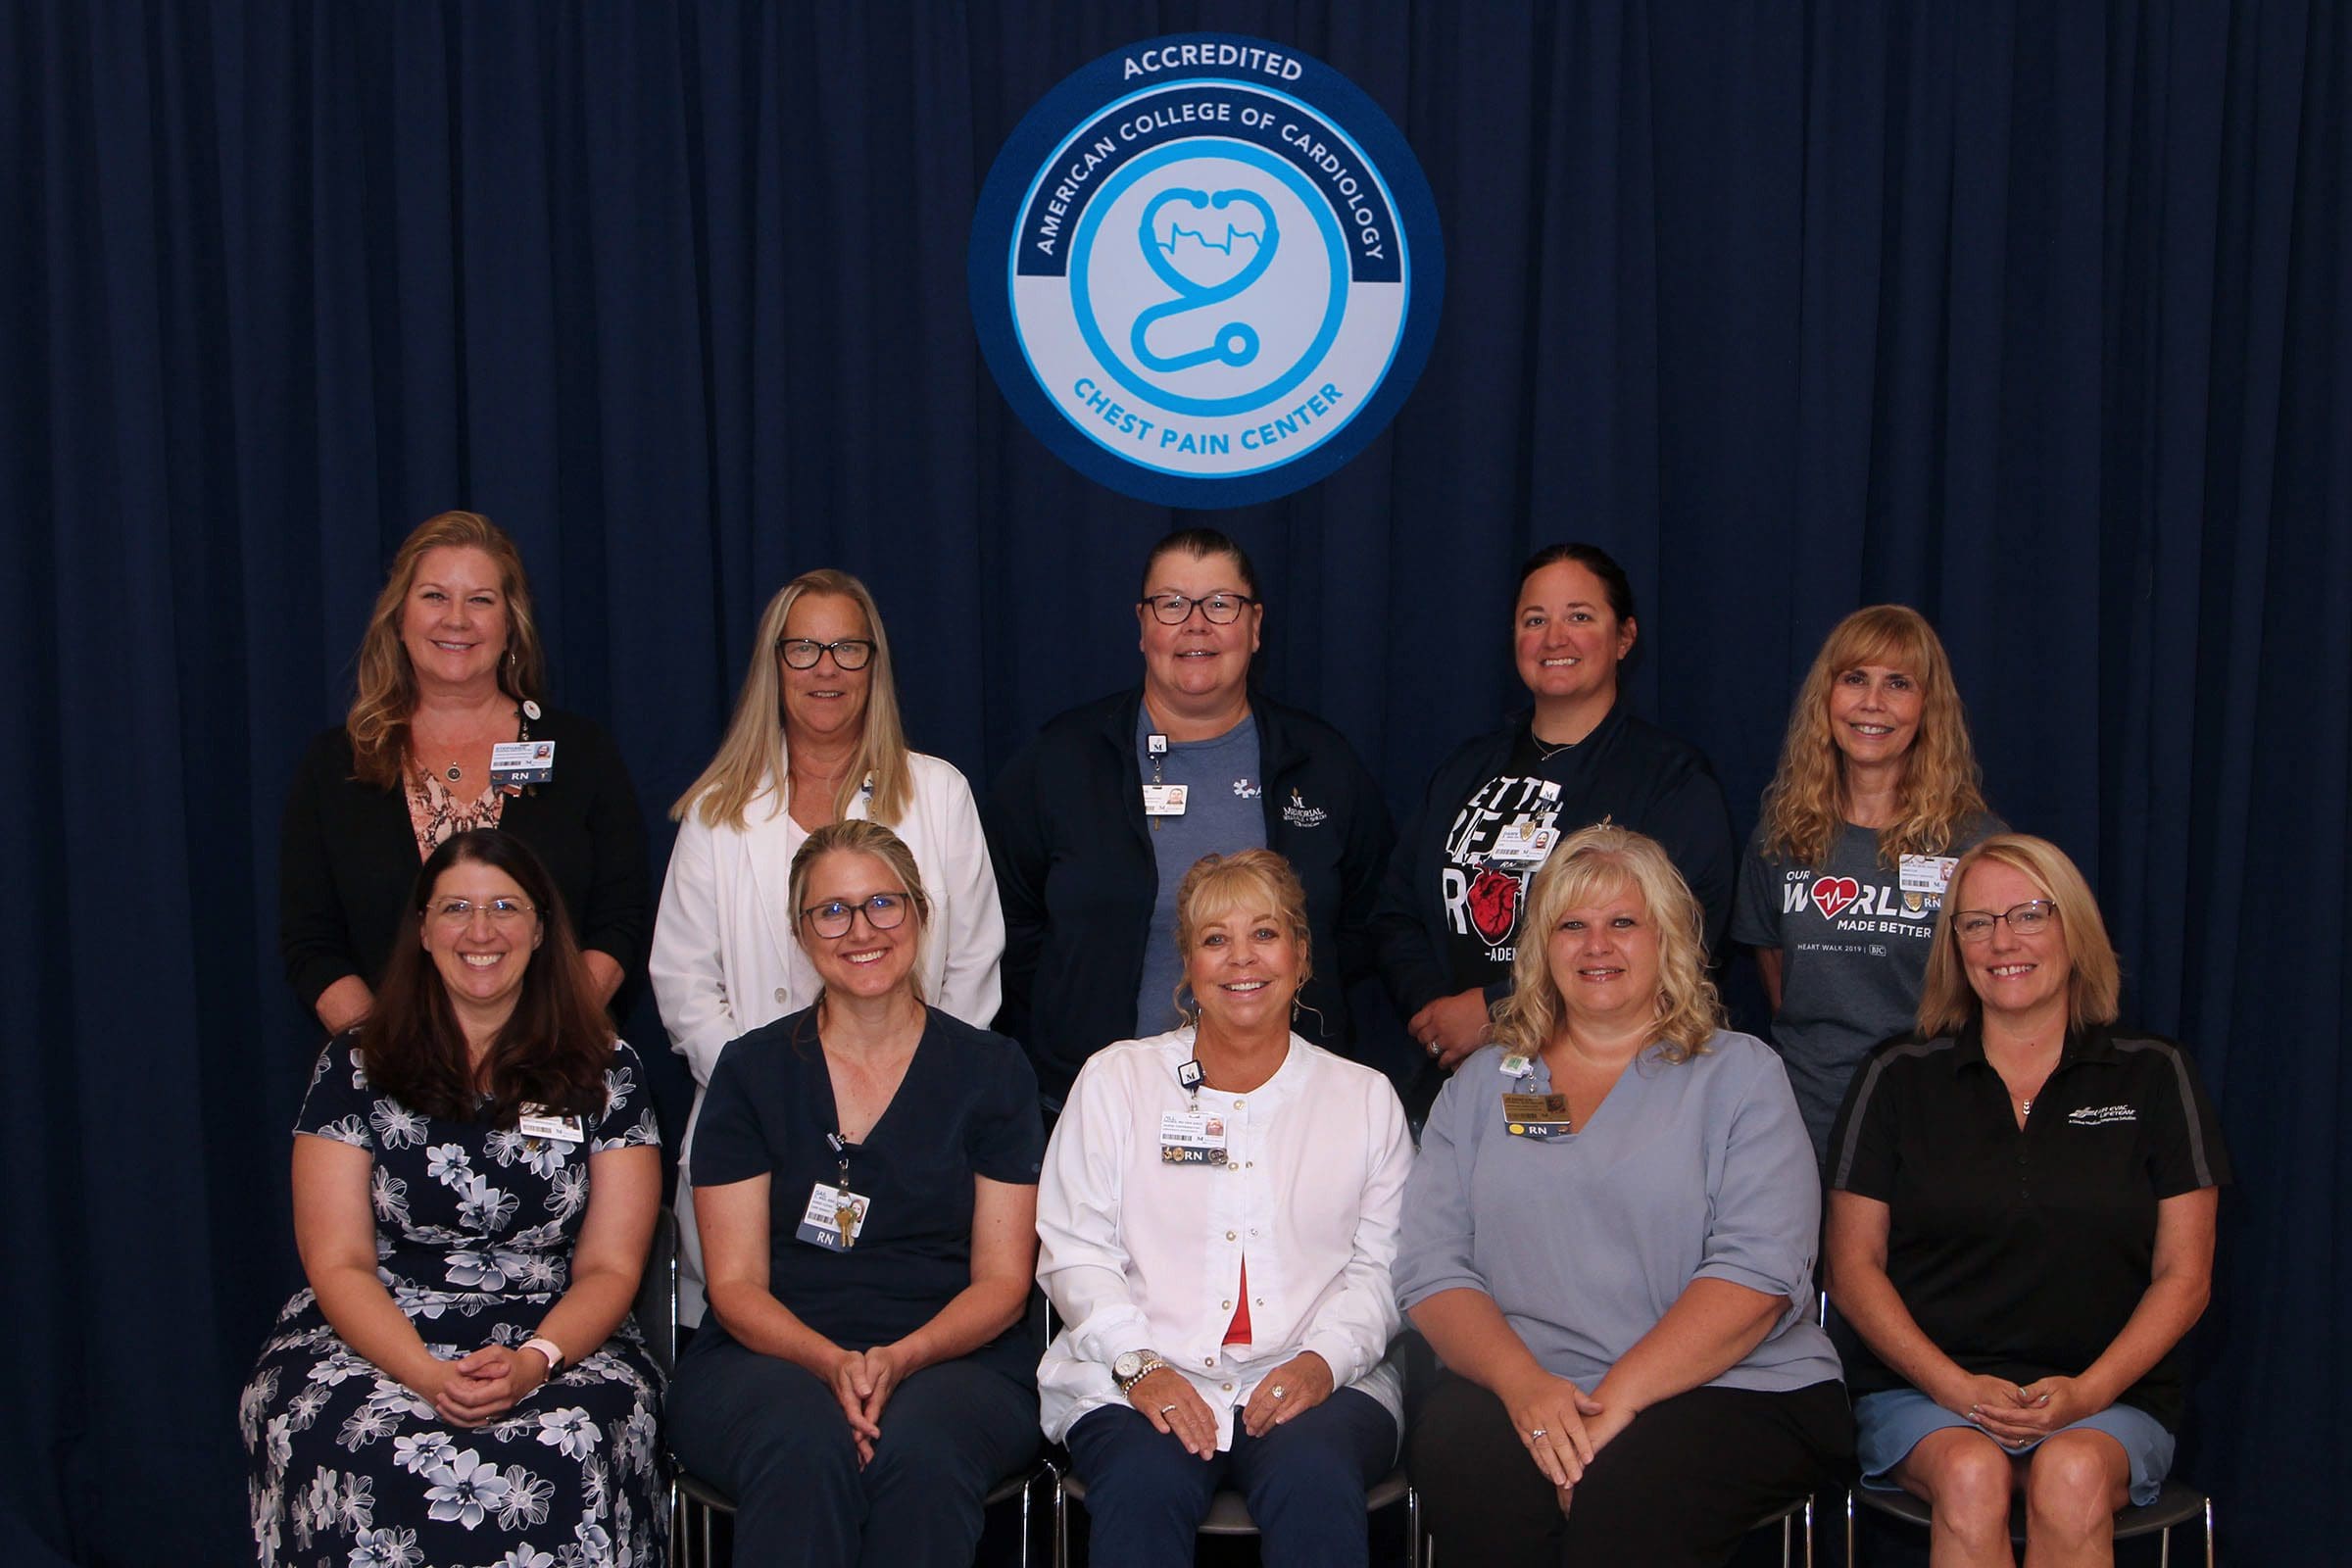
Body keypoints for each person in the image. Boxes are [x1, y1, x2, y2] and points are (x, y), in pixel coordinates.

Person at [1396, 825, 1850, 1566]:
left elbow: (1760, 1273)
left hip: (1731, 1386)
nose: (1596, 946)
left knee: (1625, 1501)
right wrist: (1525, 1387)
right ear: (1541, 948)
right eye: (1572, 926)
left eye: (1623, 923)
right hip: (1521, 1384)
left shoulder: (1741, 1076)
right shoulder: (1481, 1086)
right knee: (1475, 1478)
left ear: (1667, 938)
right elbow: (1431, 1268)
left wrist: (1615, 1405)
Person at [241, 830, 665, 1568]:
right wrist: (425, 1375)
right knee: (349, 1435)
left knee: (570, 1441)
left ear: (540, 928)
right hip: (375, 1330)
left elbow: (612, 1267)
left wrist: (535, 1362)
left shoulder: (608, 1069)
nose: (481, 931)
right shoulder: (355, 1063)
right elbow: (338, 1260)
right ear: (423, 929)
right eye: (456, 908)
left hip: (557, 1334)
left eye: (505, 907)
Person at [1825, 834, 2228, 1566]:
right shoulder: (1897, 1075)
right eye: (1977, 922)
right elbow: (1852, 1270)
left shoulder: (2155, 1074)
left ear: (2075, 929)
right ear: (1955, 946)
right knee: (1971, 1474)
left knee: (2069, 1475)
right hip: (1926, 1396)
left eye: (2029, 915)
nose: (2002, 942)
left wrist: (2087, 1393)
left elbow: (2186, 1277)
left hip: (2109, 1398)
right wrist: (1956, 1389)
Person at [665, 820, 1043, 1568]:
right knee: (802, 1447)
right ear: (801, 933)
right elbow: (734, 1286)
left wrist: (898, 1360)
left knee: (924, 1453)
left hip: (954, 1355)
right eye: (832, 911)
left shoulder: (993, 1072)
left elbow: (1003, 1286)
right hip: (768, 1352)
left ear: (920, 914)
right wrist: (831, 1364)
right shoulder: (750, 1072)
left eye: (882, 903)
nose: (861, 930)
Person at [1037, 849, 1413, 1568]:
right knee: (1143, 1486)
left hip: (1321, 1378)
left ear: (1302, 956)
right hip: (1136, 1374)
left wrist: (1323, 1363)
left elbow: (1386, 1266)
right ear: (1187, 964)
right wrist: (1139, 1366)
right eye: (1216, 939)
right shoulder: (1117, 1080)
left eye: (1265, 934)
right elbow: (1075, 1250)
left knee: (1313, 1479)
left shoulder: (1364, 1098)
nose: (1242, 958)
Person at [652, 567, 1002, 1324]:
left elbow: (973, 967)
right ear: (774, 664)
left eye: (848, 648)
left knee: (912, 1339)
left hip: (917, 1138)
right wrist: (766, 1105)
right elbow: (684, 985)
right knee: (762, 1344)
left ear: (874, 664)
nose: (826, 670)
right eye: (804, 649)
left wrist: (911, 1097)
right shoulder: (718, 811)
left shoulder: (938, 793)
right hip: (754, 1151)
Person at [988, 526, 1394, 1109]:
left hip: (1286, 1107)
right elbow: (1009, 923)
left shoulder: (1321, 763)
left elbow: (1363, 920)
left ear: (1255, 626)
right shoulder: (1060, 761)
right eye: (1172, 604)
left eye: (1221, 604)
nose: (1196, 624)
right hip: (1103, 1105)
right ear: (1142, 625)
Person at [1372, 543, 1735, 1102]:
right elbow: (1396, 911)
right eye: (1535, 620)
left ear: (1625, 637)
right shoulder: (1465, 769)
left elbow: (1681, 941)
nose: (1554, 638)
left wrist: (1496, 1009)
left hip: (1611, 1089)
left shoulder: (1671, 781)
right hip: (1459, 1083)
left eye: (1580, 617)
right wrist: (1439, 1014)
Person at [279, 510, 649, 1038]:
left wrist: (540, 1042)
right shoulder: (337, 764)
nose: (457, 619)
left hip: (553, 1059)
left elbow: (620, 920)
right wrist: (390, 1055)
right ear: (399, 620)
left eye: (480, 600)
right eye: (435, 596)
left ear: (510, 624)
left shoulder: (581, 753)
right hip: (388, 1068)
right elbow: (311, 941)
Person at [1734, 605, 2002, 1153]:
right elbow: (1781, 984)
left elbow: (1999, 991)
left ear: (1928, 707)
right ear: (1826, 697)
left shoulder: (1975, 845)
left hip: (1930, 1123)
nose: (1872, 702)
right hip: (1801, 1123)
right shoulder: (1779, 839)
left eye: (1898, 683)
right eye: (1855, 678)